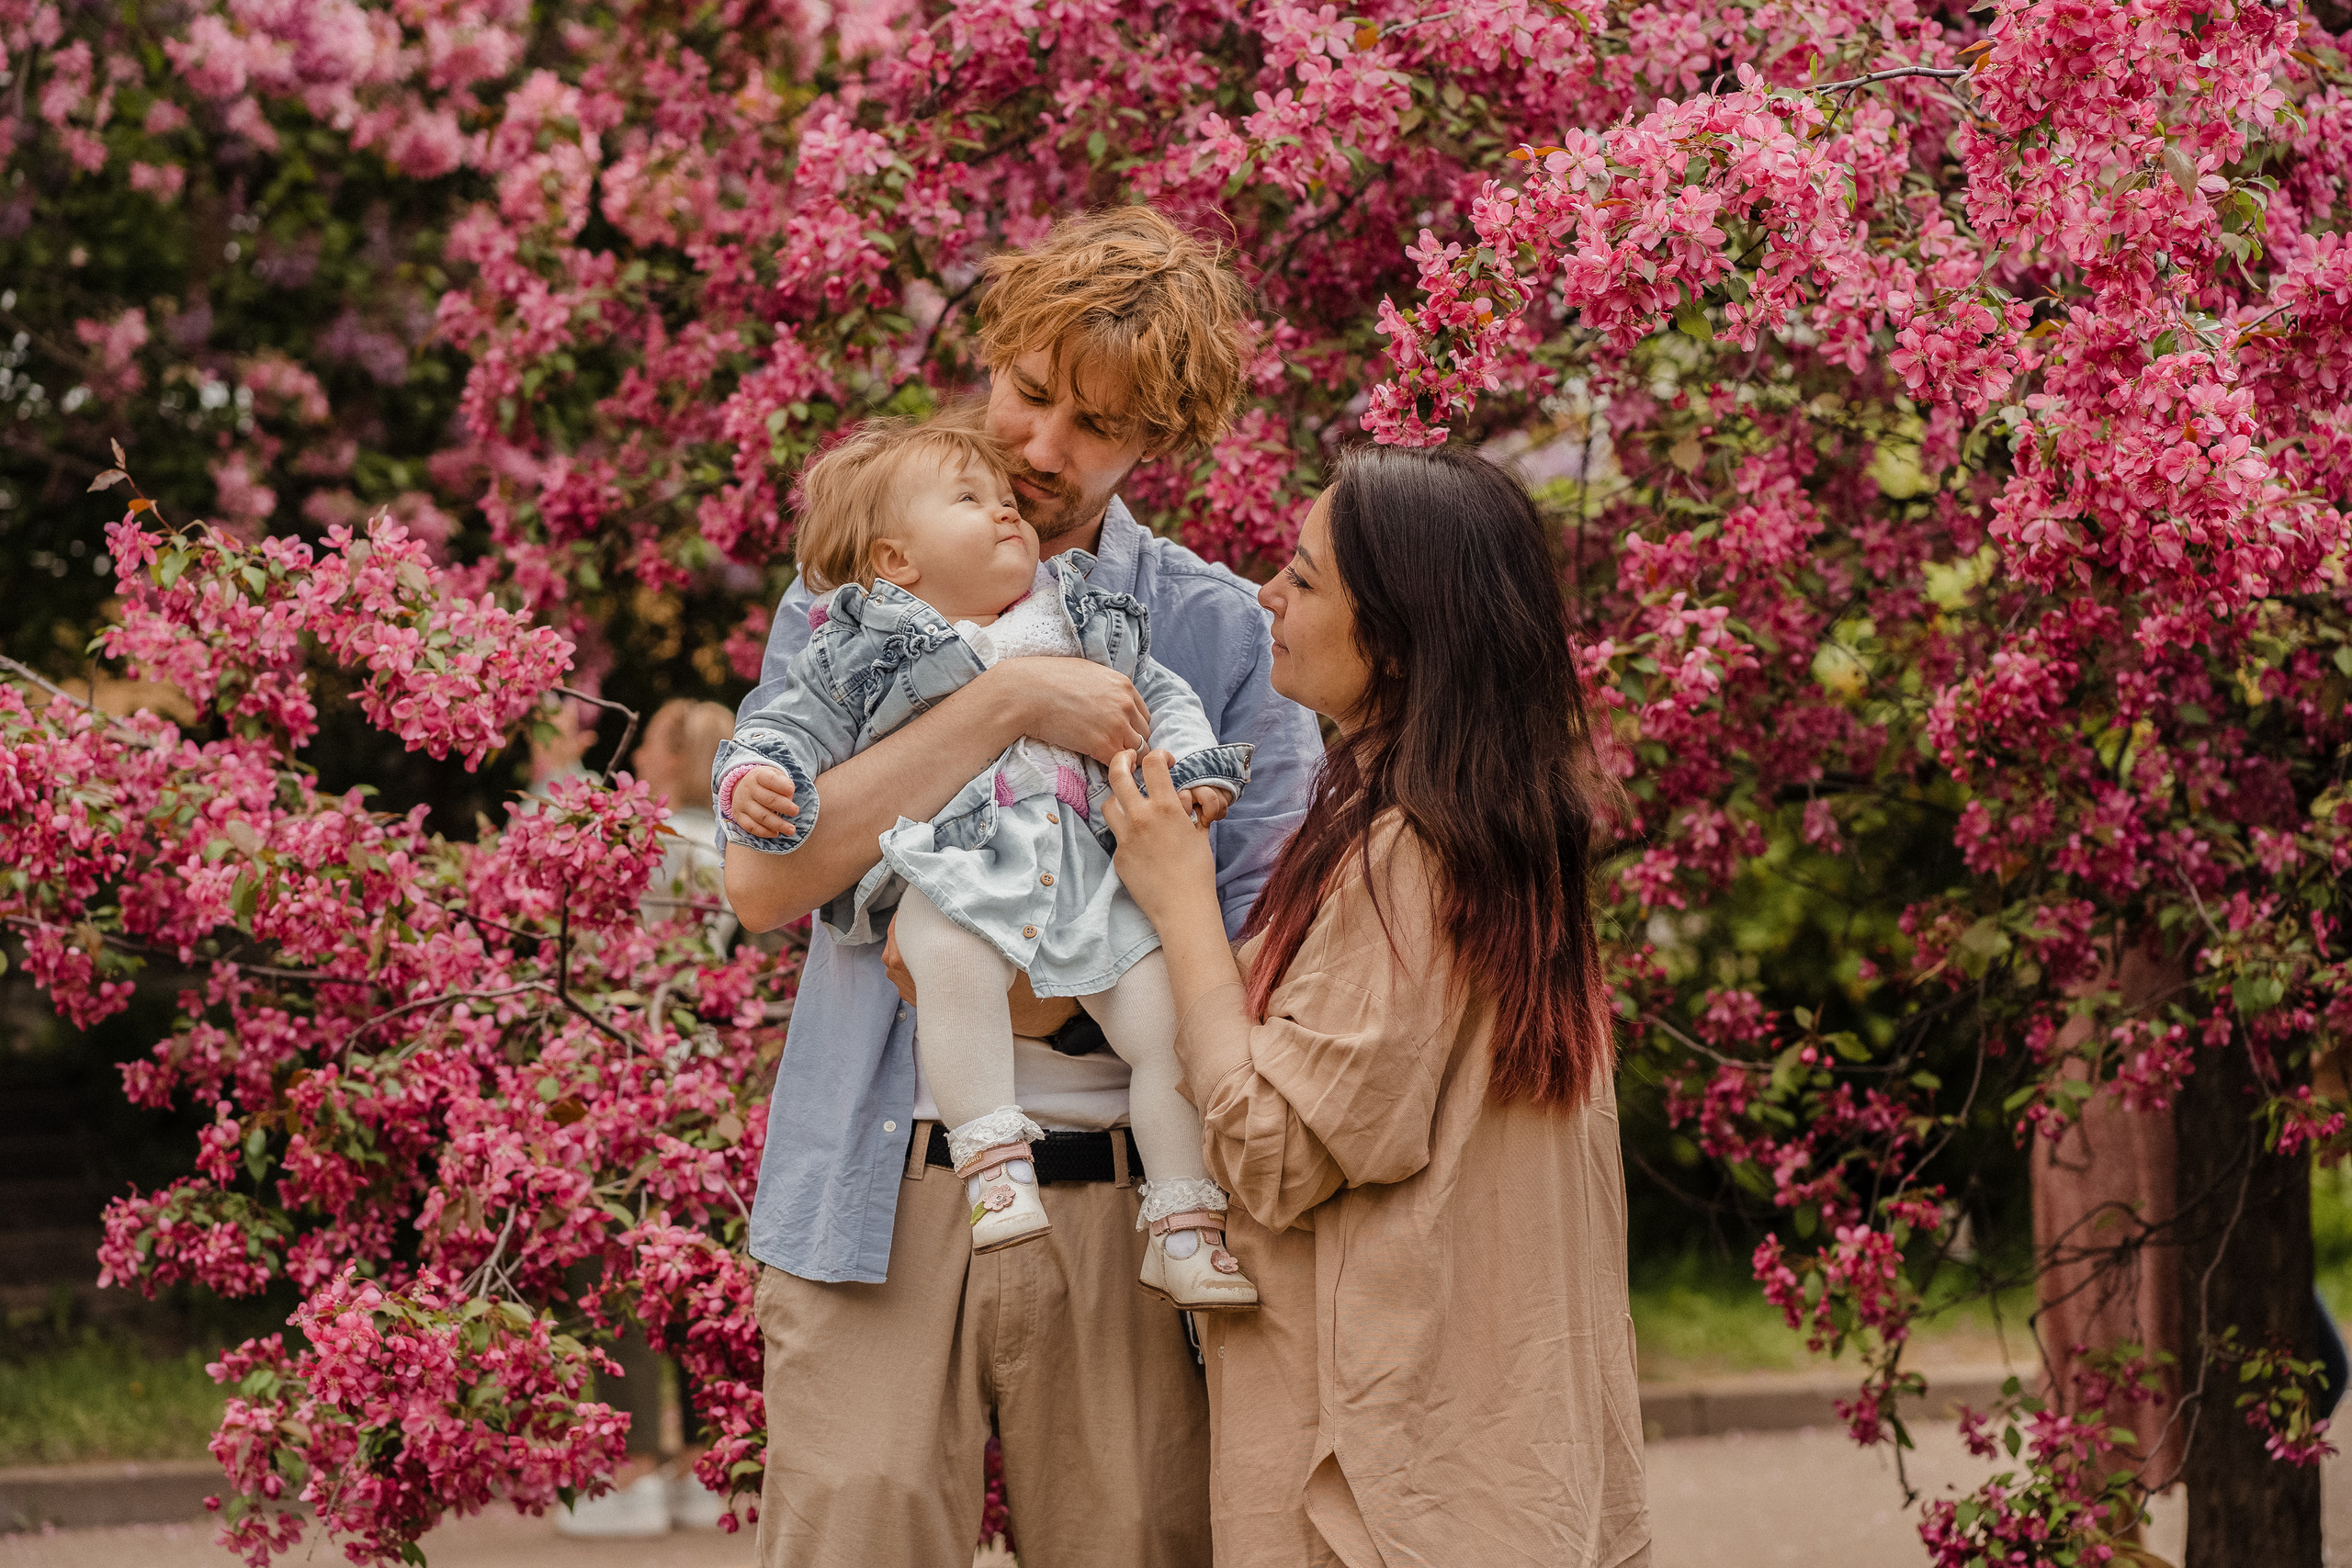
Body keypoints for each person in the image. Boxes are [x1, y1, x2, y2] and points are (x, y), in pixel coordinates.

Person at [724, 206, 1322, 1567]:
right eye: (1030, 392)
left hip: (1133, 1204)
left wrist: (1030, 994)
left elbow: (1261, 955)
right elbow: (767, 878)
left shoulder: (1219, 631)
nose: (1040, 449)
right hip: (871, 1197)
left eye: (1094, 426)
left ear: (1159, 441)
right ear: (993, 355)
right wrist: (1003, 703)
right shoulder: (850, 599)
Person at [1103, 444, 1655, 1565]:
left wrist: (1181, 901)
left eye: (1303, 581)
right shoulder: (1499, 837)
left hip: (1380, 1485)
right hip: (1486, 1463)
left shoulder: (1416, 854)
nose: (1267, 593)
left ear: (1396, 646)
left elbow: (1270, 1147)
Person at [713, 414, 1259, 1307]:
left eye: (1005, 502)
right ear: (895, 561)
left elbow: (1161, 695)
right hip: (954, 871)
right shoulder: (861, 641)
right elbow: (786, 726)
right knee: (948, 957)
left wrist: (1194, 771)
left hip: (1081, 884)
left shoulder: (1083, 614)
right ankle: (995, 1166)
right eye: (973, 501)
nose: (1009, 509)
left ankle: (1183, 1222)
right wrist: (756, 776)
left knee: (1167, 1034)